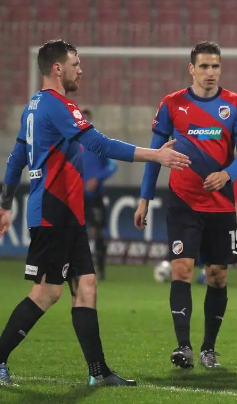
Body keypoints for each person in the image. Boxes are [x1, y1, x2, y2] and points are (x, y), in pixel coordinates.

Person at [0, 39, 190, 387]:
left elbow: (16, 160)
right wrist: (156, 155)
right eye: (75, 63)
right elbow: (98, 144)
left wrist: (4, 205)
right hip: (53, 213)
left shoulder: (33, 106)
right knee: (47, 293)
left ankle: (98, 372)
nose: (80, 69)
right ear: (57, 68)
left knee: (86, 287)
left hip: (67, 213)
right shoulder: (57, 105)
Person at [134, 41, 237, 369]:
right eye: (204, 66)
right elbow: (155, 155)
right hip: (183, 202)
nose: (210, 72)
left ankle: (208, 348)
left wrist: (226, 175)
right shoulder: (172, 105)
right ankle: (183, 346)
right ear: (192, 69)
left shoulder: (235, 104)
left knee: (217, 276)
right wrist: (144, 199)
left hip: (220, 205)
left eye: (215, 66)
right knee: (182, 269)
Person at [82, 108, 117, 281]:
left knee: (97, 232)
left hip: (94, 196)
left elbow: (112, 166)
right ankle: (75, 267)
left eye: (87, 121)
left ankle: (101, 269)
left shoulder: (98, 144)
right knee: (75, 231)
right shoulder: (72, 144)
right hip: (75, 196)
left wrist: (98, 178)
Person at [196, 176, 237, 285]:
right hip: (199, 214)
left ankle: (208, 272)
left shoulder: (231, 173)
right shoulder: (198, 169)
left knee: (218, 263)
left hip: (221, 218)